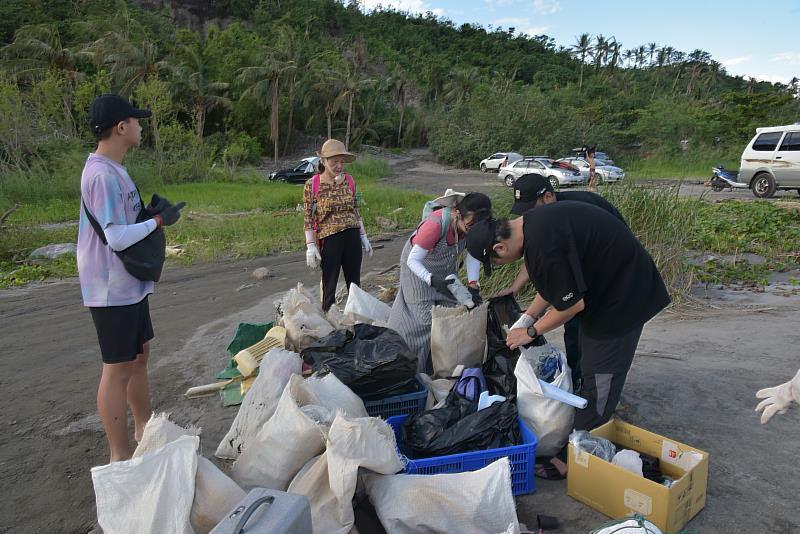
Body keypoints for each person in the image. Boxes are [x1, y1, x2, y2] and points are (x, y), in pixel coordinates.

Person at [466, 201, 669, 479]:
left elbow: (571, 305)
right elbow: (556, 285)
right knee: (588, 364)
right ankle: (584, 428)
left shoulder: (543, 246)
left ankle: (572, 456)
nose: (501, 264)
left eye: (497, 262)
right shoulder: (532, 226)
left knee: (601, 381)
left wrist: (532, 331)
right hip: (605, 289)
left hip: (624, 298)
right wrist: (528, 316)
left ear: (499, 248)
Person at [78, 94, 185, 462]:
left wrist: (149, 213)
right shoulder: (100, 175)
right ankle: (118, 456)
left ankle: (144, 430)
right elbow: (116, 236)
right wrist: (156, 221)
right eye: (136, 121)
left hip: (127, 285)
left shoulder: (115, 170)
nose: (140, 126)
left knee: (140, 355)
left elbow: (125, 221)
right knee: (117, 368)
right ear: (121, 128)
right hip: (109, 288)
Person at [495, 173, 627, 390]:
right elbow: (537, 258)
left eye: (530, 208)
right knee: (573, 329)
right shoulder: (542, 221)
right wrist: (515, 288)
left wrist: (531, 330)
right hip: (580, 273)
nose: (527, 217)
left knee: (589, 329)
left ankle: (592, 386)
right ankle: (574, 378)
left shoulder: (574, 208)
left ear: (547, 197)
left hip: (606, 273)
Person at [388, 191, 492, 373]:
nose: (473, 229)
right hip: (418, 271)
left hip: (444, 271)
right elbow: (413, 260)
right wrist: (431, 280)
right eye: (470, 224)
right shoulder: (435, 225)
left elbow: (473, 254)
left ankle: (439, 368)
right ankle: (416, 371)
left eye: (478, 225)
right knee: (424, 321)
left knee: (451, 314)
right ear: (458, 215)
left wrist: (473, 285)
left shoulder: (472, 227)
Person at [303, 139, 373, 311]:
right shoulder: (313, 185)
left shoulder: (349, 181)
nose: (339, 166)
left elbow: (355, 210)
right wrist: (311, 245)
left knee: (354, 283)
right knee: (329, 284)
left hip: (352, 236)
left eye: (342, 162)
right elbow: (308, 217)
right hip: (330, 239)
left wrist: (363, 236)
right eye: (334, 162)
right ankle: (329, 320)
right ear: (324, 161)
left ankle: (356, 319)